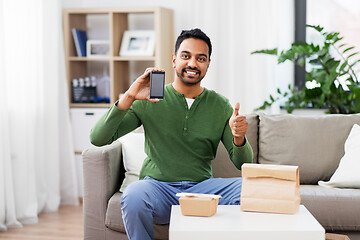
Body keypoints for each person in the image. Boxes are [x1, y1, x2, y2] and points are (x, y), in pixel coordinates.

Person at [90, 28, 253, 240]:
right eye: (186, 56)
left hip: (201, 190)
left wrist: (239, 137)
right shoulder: (148, 99)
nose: (193, 63)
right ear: (174, 60)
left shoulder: (220, 105)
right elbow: (98, 138)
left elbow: (244, 164)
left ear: (208, 64)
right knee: (133, 195)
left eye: (200, 58)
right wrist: (130, 96)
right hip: (157, 188)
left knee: (252, 188)